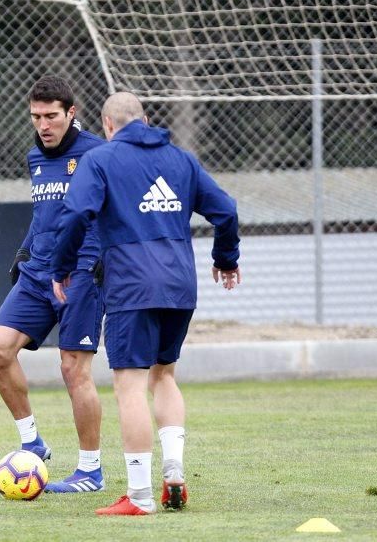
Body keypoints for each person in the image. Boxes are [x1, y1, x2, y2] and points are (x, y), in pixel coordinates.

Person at [51, 92, 240, 514]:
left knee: (129, 385)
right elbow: (225, 211)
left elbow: (76, 214)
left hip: (132, 286)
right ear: (146, 119)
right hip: (179, 285)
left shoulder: (100, 160)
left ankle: (139, 496)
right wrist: (225, 259)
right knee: (164, 375)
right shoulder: (182, 160)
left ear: (108, 125)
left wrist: (62, 267)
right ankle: (173, 470)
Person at [0, 76, 107, 493]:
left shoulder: (98, 154)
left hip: (81, 277)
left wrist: (100, 263)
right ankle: (32, 443)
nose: (43, 124)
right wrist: (24, 255)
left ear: (71, 113)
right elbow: (46, 214)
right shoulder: (35, 156)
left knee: (73, 370)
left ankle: (90, 471)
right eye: (36, 116)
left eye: (51, 116)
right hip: (38, 275)